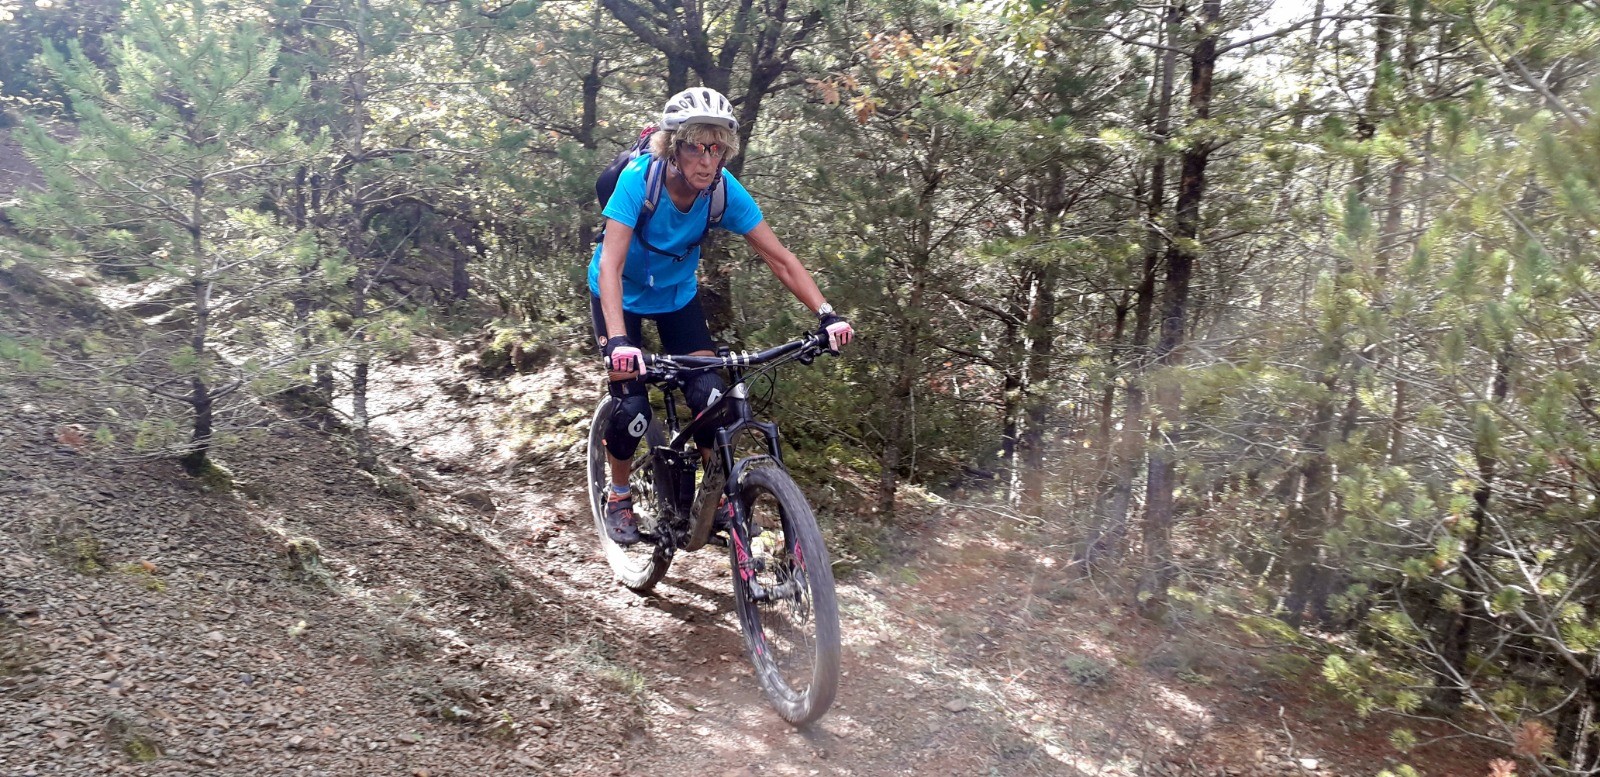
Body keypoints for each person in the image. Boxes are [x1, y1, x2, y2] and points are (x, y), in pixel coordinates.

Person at [589, 87, 853, 546]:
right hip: (619, 295)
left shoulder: (724, 192)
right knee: (631, 409)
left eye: (717, 149)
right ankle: (619, 495)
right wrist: (617, 342)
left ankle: (720, 501)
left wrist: (827, 314)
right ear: (674, 147)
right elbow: (610, 264)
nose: (707, 161)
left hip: (676, 297)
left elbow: (780, 259)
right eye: (696, 147)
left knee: (712, 397)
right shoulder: (638, 180)